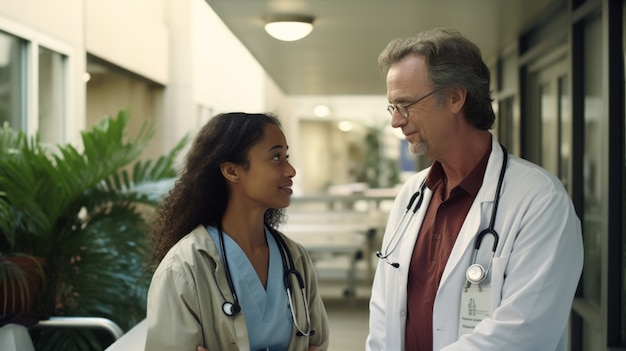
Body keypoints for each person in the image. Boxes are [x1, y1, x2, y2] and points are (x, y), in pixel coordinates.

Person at [366, 28, 583, 350]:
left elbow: (524, 332)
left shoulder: (540, 201)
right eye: (392, 108)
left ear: (455, 97)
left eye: (406, 105)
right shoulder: (413, 194)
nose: (396, 121)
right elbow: (384, 312)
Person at [145, 112, 329, 351]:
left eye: (286, 156)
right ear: (232, 171)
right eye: (276, 157)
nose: (291, 170)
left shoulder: (295, 257)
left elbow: (317, 343)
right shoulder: (184, 267)